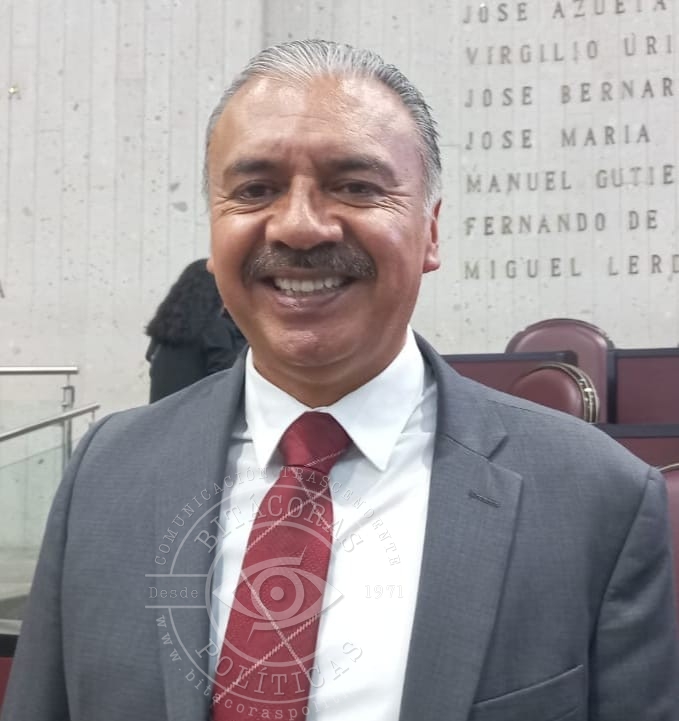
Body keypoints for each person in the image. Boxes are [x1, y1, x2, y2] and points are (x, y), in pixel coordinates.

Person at [2, 39, 677, 721]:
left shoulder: (599, 499)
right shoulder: (104, 474)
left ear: (430, 232)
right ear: (213, 228)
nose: (299, 227)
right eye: (255, 189)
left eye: (355, 186)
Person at [145, 258, 247, 402]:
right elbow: (232, 379)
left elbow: (150, 357)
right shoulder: (215, 328)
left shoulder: (165, 326)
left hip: (162, 411)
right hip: (196, 412)